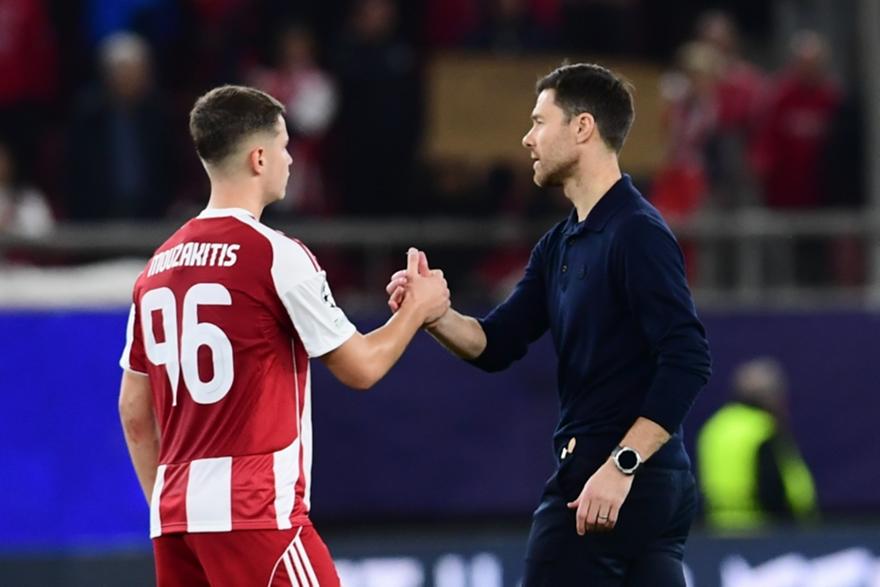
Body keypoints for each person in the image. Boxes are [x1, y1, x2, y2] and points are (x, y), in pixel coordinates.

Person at [387, 63, 711, 586]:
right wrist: (435, 315)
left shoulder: (636, 232)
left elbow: (688, 358)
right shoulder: (559, 243)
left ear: (582, 128)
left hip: (608, 479)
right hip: (647, 488)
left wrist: (621, 464)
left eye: (540, 122)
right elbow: (496, 343)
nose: (527, 138)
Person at [117, 85, 449, 587]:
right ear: (258, 157)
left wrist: (172, 504)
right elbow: (361, 367)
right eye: (284, 146)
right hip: (255, 514)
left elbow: (134, 411)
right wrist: (418, 309)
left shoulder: (156, 269)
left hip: (175, 521)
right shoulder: (275, 254)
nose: (290, 160)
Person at [697, 358, 817, 530]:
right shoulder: (763, 428)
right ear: (768, 396)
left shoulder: (715, 426)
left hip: (719, 527)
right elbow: (772, 487)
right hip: (765, 530)